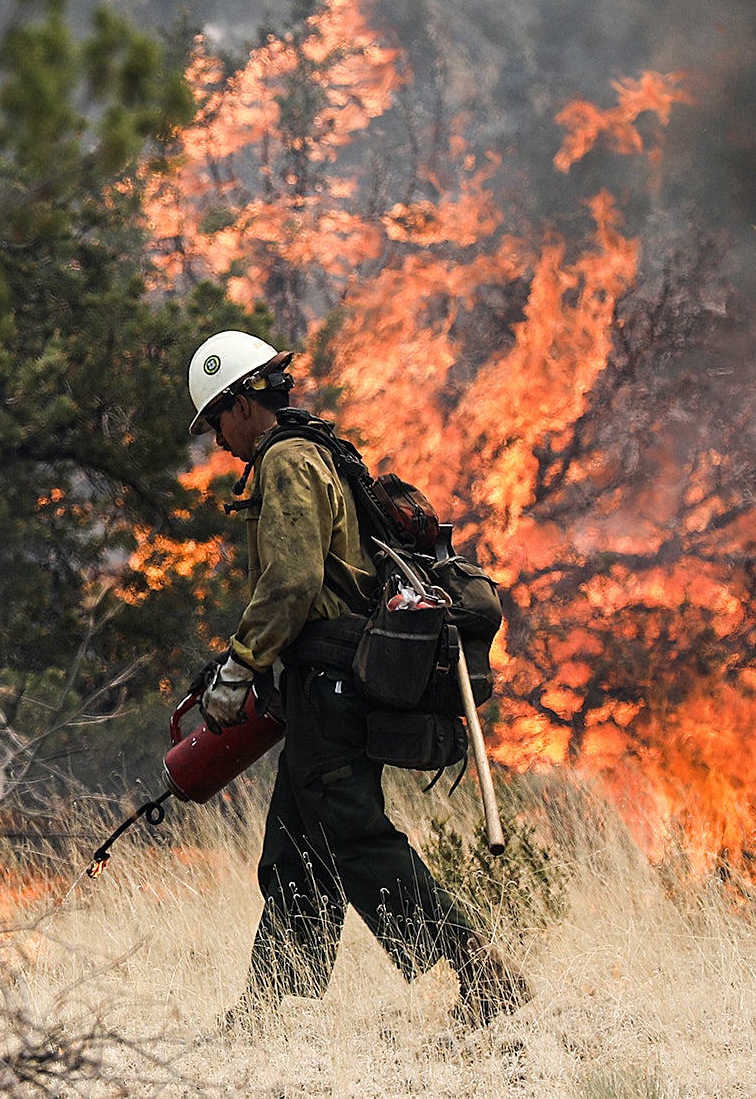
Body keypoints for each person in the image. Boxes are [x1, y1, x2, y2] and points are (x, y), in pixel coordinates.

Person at [186, 329, 528, 1032]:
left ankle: (481, 971)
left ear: (241, 401)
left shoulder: (287, 461)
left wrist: (241, 664)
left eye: (216, 419)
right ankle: (266, 1008)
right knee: (295, 844)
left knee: (356, 840)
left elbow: (292, 581)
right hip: (328, 688)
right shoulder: (320, 452)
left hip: (330, 688)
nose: (217, 439)